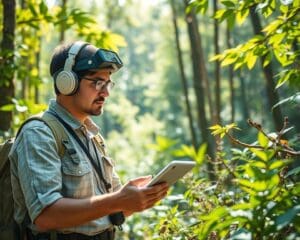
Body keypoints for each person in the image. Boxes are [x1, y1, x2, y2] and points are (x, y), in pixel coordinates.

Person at [9, 41, 169, 240]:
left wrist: (137, 199)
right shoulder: (38, 133)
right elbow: (45, 215)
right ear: (67, 83)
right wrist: (118, 200)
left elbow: (111, 208)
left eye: (108, 83)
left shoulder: (93, 137)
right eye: (97, 82)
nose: (106, 92)